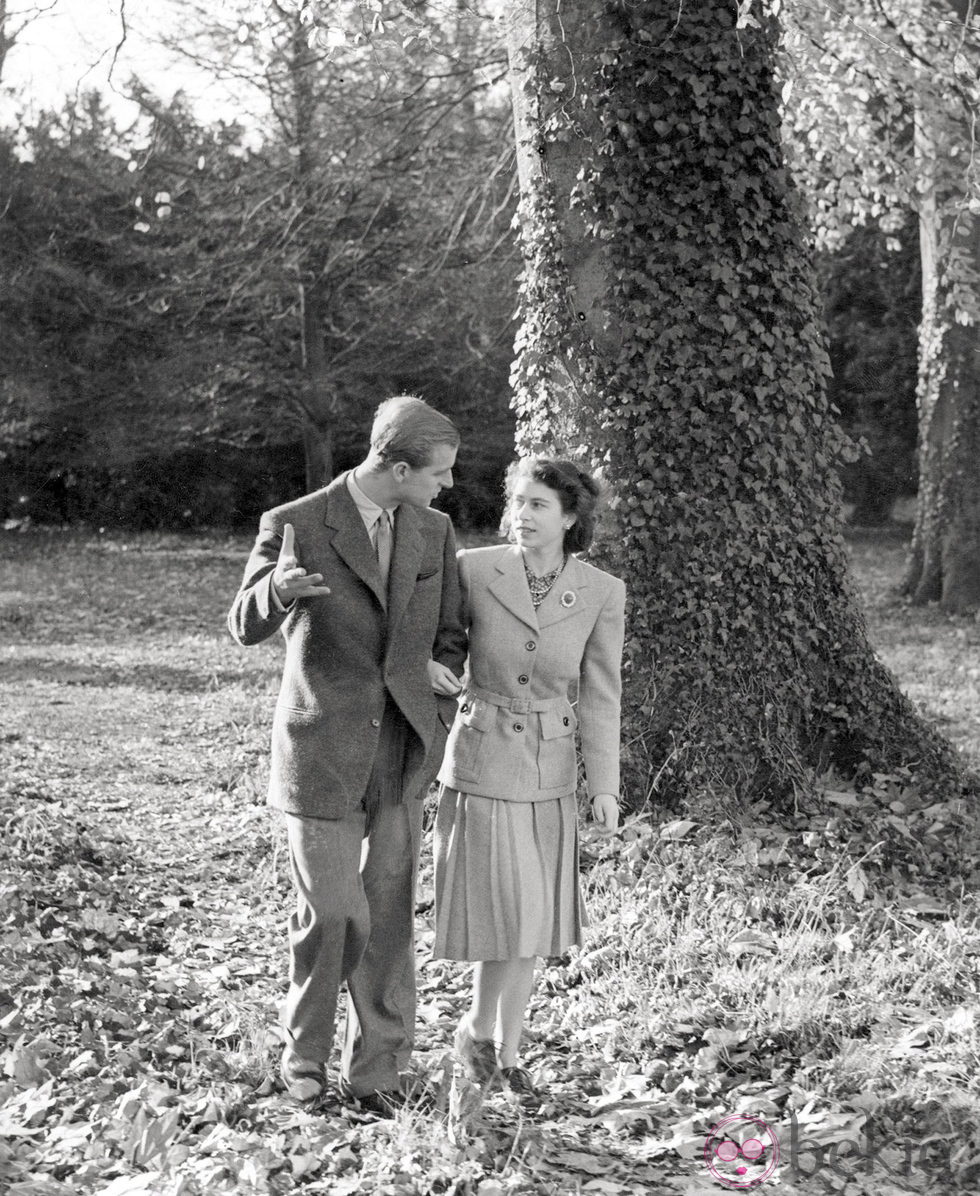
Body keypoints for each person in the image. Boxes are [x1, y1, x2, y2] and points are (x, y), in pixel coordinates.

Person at [227, 396, 466, 1114]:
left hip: (400, 750)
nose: (448, 486)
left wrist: (434, 682)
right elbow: (242, 623)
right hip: (320, 748)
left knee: (389, 915)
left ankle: (379, 1069)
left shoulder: (435, 530)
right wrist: (277, 590)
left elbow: (448, 633)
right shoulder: (294, 522)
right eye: (439, 473)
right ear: (396, 467)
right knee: (334, 910)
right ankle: (303, 1055)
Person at [428, 455, 625, 1103]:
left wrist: (604, 784)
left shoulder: (601, 592)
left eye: (538, 504)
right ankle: (477, 1033)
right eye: (517, 502)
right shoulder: (475, 569)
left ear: (571, 517)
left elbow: (601, 694)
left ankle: (508, 1052)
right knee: (507, 914)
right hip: (484, 759)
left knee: (534, 923)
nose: (523, 515)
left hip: (551, 770)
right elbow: (442, 646)